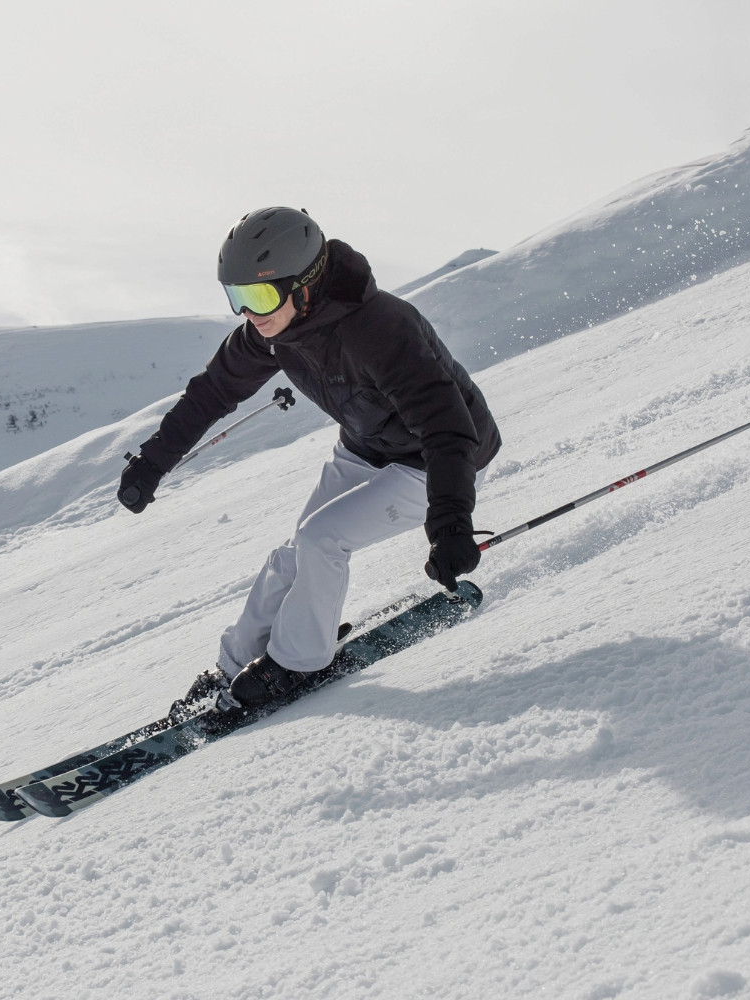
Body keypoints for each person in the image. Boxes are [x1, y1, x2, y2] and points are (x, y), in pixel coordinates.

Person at [118, 207, 501, 711]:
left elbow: (447, 428)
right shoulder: (272, 333)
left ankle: (297, 663)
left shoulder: (381, 328)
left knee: (324, 539)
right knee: (295, 551)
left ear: (304, 283)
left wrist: (451, 522)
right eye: (237, 297)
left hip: (440, 457)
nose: (249, 314)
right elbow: (210, 393)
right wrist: (152, 463)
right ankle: (234, 666)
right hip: (366, 445)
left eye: (259, 296)